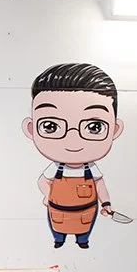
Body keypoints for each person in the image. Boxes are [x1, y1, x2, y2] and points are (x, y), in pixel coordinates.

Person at [21, 63, 124, 249]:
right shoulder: (56, 168)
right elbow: (42, 181)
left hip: (86, 211)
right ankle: (58, 239)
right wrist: (48, 195)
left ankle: (82, 241)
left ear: (115, 130)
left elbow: (100, 184)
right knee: (57, 227)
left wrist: (106, 203)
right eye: (50, 126)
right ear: (31, 129)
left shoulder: (91, 168)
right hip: (57, 210)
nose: (73, 142)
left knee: (84, 229)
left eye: (94, 127)